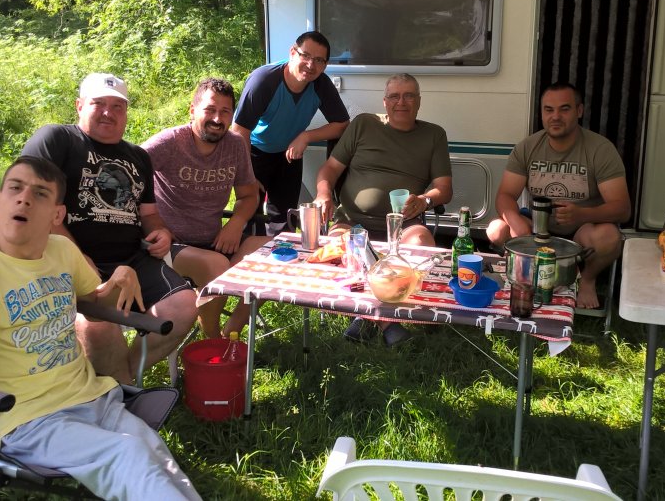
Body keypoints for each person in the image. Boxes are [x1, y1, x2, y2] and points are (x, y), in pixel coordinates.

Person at [0, 156, 202, 500]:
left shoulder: (62, 250)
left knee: (153, 452)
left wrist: (120, 278)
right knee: (127, 453)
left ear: (57, 215)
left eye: (40, 193)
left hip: (94, 396)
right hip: (30, 420)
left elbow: (95, 308)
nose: (24, 198)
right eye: (15, 188)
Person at [21, 73, 198, 384]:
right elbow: (29, 206)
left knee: (185, 306)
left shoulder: (138, 156)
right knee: (98, 325)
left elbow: (149, 214)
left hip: (132, 260)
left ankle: (122, 379)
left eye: (118, 106)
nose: (108, 113)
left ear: (126, 112)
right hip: (70, 261)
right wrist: (76, 257)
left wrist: (161, 231)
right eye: (98, 103)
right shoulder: (57, 139)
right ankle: (121, 388)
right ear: (79, 106)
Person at [313, 73, 453, 346]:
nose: (402, 102)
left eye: (409, 96)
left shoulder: (434, 135)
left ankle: (366, 317)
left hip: (404, 223)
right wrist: (323, 194)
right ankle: (387, 322)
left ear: (419, 101)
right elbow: (329, 169)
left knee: (422, 245)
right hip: (352, 220)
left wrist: (425, 200)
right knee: (347, 248)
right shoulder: (364, 124)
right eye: (394, 96)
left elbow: (444, 188)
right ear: (385, 101)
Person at [142, 78, 271, 339]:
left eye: (225, 112)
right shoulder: (170, 142)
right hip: (170, 246)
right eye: (210, 109)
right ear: (192, 110)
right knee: (216, 265)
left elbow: (248, 195)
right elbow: (127, 170)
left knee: (276, 252)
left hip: (214, 240)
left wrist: (235, 224)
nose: (217, 119)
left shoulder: (235, 145)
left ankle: (232, 329)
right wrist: (151, 222)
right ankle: (212, 341)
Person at [486, 82, 630, 309]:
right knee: (496, 229)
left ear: (579, 111)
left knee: (609, 237)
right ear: (542, 113)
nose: (555, 117)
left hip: (582, 230)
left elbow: (622, 208)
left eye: (564, 109)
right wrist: (516, 223)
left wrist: (582, 214)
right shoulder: (528, 147)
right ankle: (525, 276)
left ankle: (587, 280)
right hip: (537, 228)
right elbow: (505, 195)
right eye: (548, 110)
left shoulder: (600, 149)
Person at [231, 31, 351, 236]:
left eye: (319, 60)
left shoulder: (321, 84)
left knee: (284, 218)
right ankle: (248, 251)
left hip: (289, 154)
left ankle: (280, 253)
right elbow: (239, 131)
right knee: (249, 215)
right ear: (293, 53)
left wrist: (306, 136)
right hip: (254, 152)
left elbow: (342, 124)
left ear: (325, 65)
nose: (311, 65)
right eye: (306, 55)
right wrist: (247, 173)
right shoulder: (264, 80)